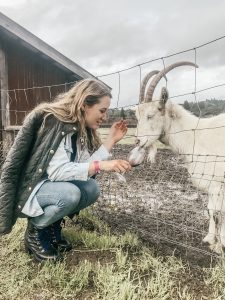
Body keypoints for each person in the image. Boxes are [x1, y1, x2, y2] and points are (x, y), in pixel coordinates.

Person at [0, 78, 131, 262]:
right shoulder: (55, 122)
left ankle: (51, 226)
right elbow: (57, 172)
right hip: (31, 190)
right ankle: (36, 232)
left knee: (91, 188)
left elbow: (84, 168)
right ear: (85, 104)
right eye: (102, 110)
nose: (105, 116)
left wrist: (111, 140)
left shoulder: (80, 129)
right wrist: (101, 165)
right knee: (71, 194)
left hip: (50, 189)